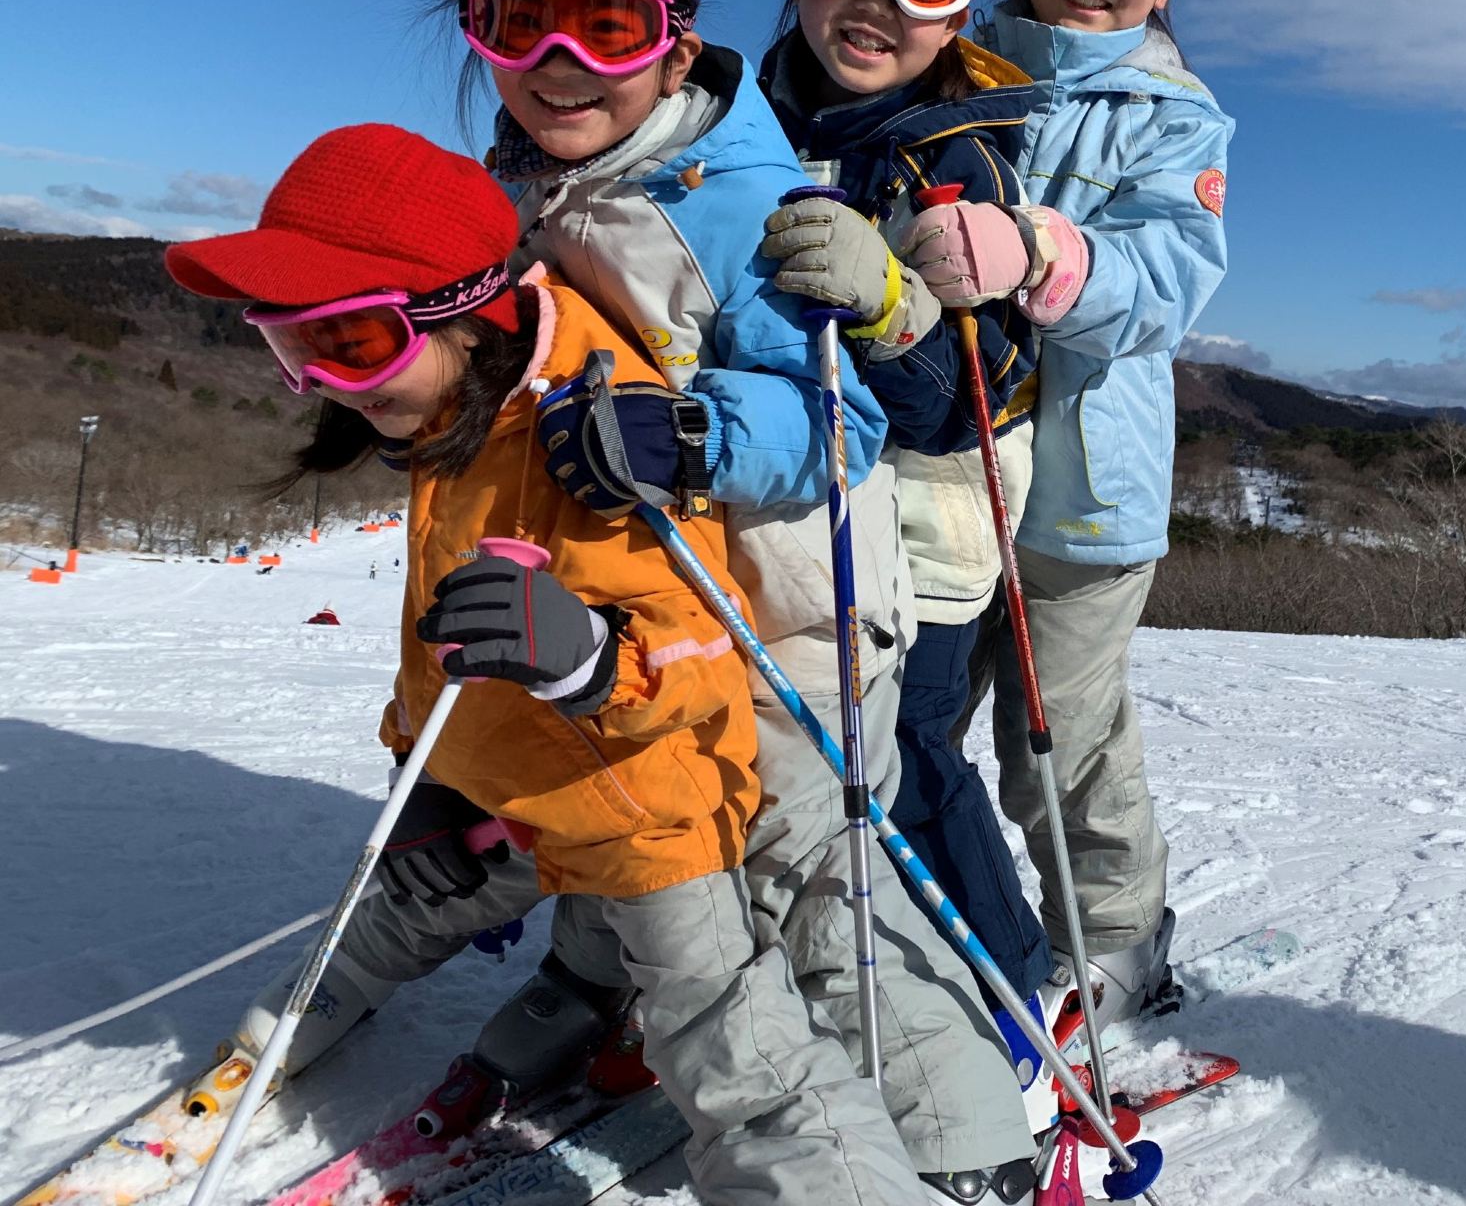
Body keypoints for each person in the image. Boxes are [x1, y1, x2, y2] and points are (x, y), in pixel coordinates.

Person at [166, 124, 929, 1204]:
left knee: (732, 1056)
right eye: (291, 349)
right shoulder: (450, 411)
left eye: (353, 342)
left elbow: (708, 652)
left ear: (462, 313)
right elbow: (434, 639)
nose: (327, 384)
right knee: (399, 898)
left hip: (643, 809)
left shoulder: (589, 426)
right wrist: (421, 779)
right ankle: (295, 1020)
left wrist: (588, 662)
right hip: (506, 784)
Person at [448, 0, 1032, 1197]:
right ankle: (605, 997)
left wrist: (692, 429)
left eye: (604, 22)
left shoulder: (738, 188)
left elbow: (846, 420)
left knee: (817, 885)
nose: (555, 62)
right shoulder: (529, 178)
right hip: (641, 606)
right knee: (622, 819)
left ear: (674, 28)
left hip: (793, 610)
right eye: (513, 19)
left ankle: (966, 1138)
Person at [757, 0, 1057, 1052]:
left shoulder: (955, 152)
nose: (876, 0)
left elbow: (966, 402)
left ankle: (1007, 994)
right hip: (791, 490)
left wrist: (897, 308)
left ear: (958, 7)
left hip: (929, 504)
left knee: (908, 748)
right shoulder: (745, 117)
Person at [949, 0, 1232, 1028]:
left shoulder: (1175, 117)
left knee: (1054, 745)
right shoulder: (945, 63)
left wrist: (1044, 255)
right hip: (936, 472)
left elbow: (1171, 278)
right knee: (897, 720)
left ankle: (1115, 938)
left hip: (1079, 495)